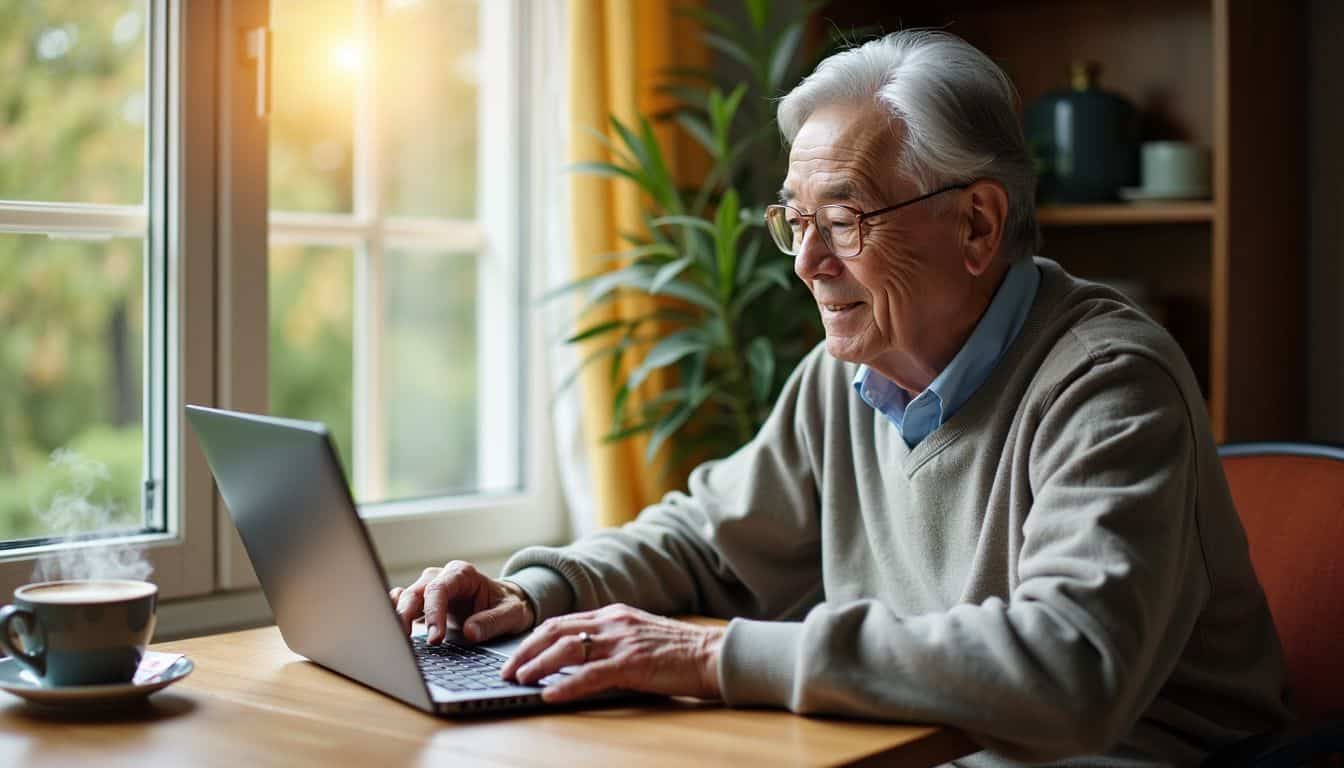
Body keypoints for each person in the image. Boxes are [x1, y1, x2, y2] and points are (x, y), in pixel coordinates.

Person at [390, 30, 1290, 765]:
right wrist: (536, 590)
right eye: (797, 220)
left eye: (847, 219)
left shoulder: (1109, 382)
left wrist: (710, 654)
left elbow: (1069, 669)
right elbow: (710, 541)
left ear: (977, 223)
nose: (810, 265)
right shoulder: (846, 373)